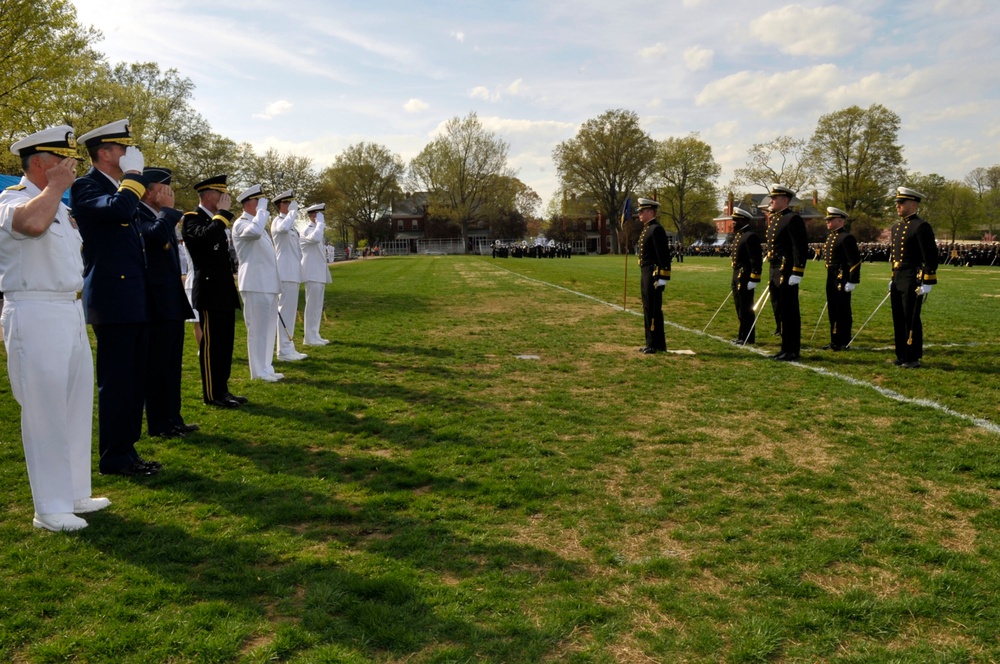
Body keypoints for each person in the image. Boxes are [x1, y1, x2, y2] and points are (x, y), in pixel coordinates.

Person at [0, 126, 109, 531]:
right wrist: (54, 189)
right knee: (44, 409)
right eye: (63, 160)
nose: (71, 166)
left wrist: (57, 192)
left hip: (68, 309)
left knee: (75, 404)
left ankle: (75, 491)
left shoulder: (58, 206)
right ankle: (49, 507)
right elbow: (29, 226)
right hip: (34, 309)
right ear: (40, 163)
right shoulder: (13, 200)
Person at [70, 119, 161, 476]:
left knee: (135, 379)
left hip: (133, 297)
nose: (128, 154)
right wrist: (135, 175)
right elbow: (120, 210)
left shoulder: (123, 187)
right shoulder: (85, 186)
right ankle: (113, 455)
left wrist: (130, 180)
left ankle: (127, 449)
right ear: (104, 153)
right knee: (118, 381)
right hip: (111, 299)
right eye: (122, 149)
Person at [137, 167, 198, 438]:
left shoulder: (160, 216)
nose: (169, 194)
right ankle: (160, 423)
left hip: (171, 300)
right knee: (157, 367)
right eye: (164, 189)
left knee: (172, 366)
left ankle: (174, 417)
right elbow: (154, 237)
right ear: (148, 192)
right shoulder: (137, 213)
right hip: (153, 302)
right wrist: (168, 212)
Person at [181, 175, 246, 407]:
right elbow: (206, 238)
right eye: (221, 195)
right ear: (209, 196)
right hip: (208, 292)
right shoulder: (192, 219)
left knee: (225, 345)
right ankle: (212, 393)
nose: (226, 199)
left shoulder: (217, 221)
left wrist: (221, 217)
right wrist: (223, 215)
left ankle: (223, 389)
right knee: (211, 346)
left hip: (224, 291)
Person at [232, 185, 283, 381]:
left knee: (269, 329)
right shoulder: (242, 223)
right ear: (249, 204)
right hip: (254, 283)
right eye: (259, 202)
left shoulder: (258, 224)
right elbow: (253, 233)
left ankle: (266, 366)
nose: (263, 206)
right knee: (257, 330)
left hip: (267, 284)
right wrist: (262, 212)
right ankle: (257, 371)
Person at [890, 187, 938, 368]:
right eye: (897, 202)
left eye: (901, 202)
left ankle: (912, 356)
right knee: (898, 317)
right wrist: (893, 276)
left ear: (913, 204)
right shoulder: (897, 227)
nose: (898, 205)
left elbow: (930, 256)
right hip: (898, 277)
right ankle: (901, 354)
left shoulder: (921, 226)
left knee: (910, 317)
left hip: (912, 277)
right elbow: (895, 257)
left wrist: (928, 280)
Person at [764, 184, 808, 361]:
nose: (771, 200)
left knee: (789, 311)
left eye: (774, 198)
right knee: (779, 309)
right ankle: (785, 346)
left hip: (786, 271)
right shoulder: (775, 219)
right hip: (775, 269)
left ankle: (792, 349)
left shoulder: (792, 219)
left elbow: (800, 247)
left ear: (785, 200)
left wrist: (797, 271)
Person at [270, 189, 307, 361]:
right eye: (288, 203)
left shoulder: (289, 223)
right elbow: (283, 229)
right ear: (281, 205)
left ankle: (288, 346)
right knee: (285, 311)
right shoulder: (279, 221)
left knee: (290, 312)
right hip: (284, 272)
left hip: (293, 271)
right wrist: (292, 213)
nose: (292, 206)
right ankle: (283, 350)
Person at [821, 207, 861, 351]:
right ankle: (834, 339)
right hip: (831, 276)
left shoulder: (846, 237)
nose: (827, 222)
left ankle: (843, 340)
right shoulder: (831, 236)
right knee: (833, 308)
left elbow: (855, 260)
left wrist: (852, 280)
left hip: (841, 276)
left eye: (830, 220)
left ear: (840, 221)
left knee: (842, 309)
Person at [635, 198, 671, 354]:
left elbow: (663, 255)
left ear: (650, 211)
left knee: (654, 308)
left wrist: (663, 276)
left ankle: (656, 344)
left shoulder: (656, 229)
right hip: (646, 272)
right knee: (648, 307)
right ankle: (651, 342)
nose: (639, 215)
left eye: (642, 211)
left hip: (654, 273)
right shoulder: (647, 228)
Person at [729, 205, 762, 344]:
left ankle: (747, 337)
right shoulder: (740, 235)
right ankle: (742, 335)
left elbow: (756, 259)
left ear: (743, 221)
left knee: (746, 308)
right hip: (737, 274)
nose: (733, 224)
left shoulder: (750, 236)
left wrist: (754, 277)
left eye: (735, 221)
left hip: (745, 276)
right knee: (739, 306)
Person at [300, 203, 331, 346]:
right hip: (311, 272)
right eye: (318, 215)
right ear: (313, 216)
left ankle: (315, 334)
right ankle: (309, 337)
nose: (321, 218)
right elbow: (316, 238)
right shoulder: (308, 230)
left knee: (317, 305)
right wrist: (320, 224)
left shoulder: (315, 229)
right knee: (312, 306)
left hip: (318, 272)